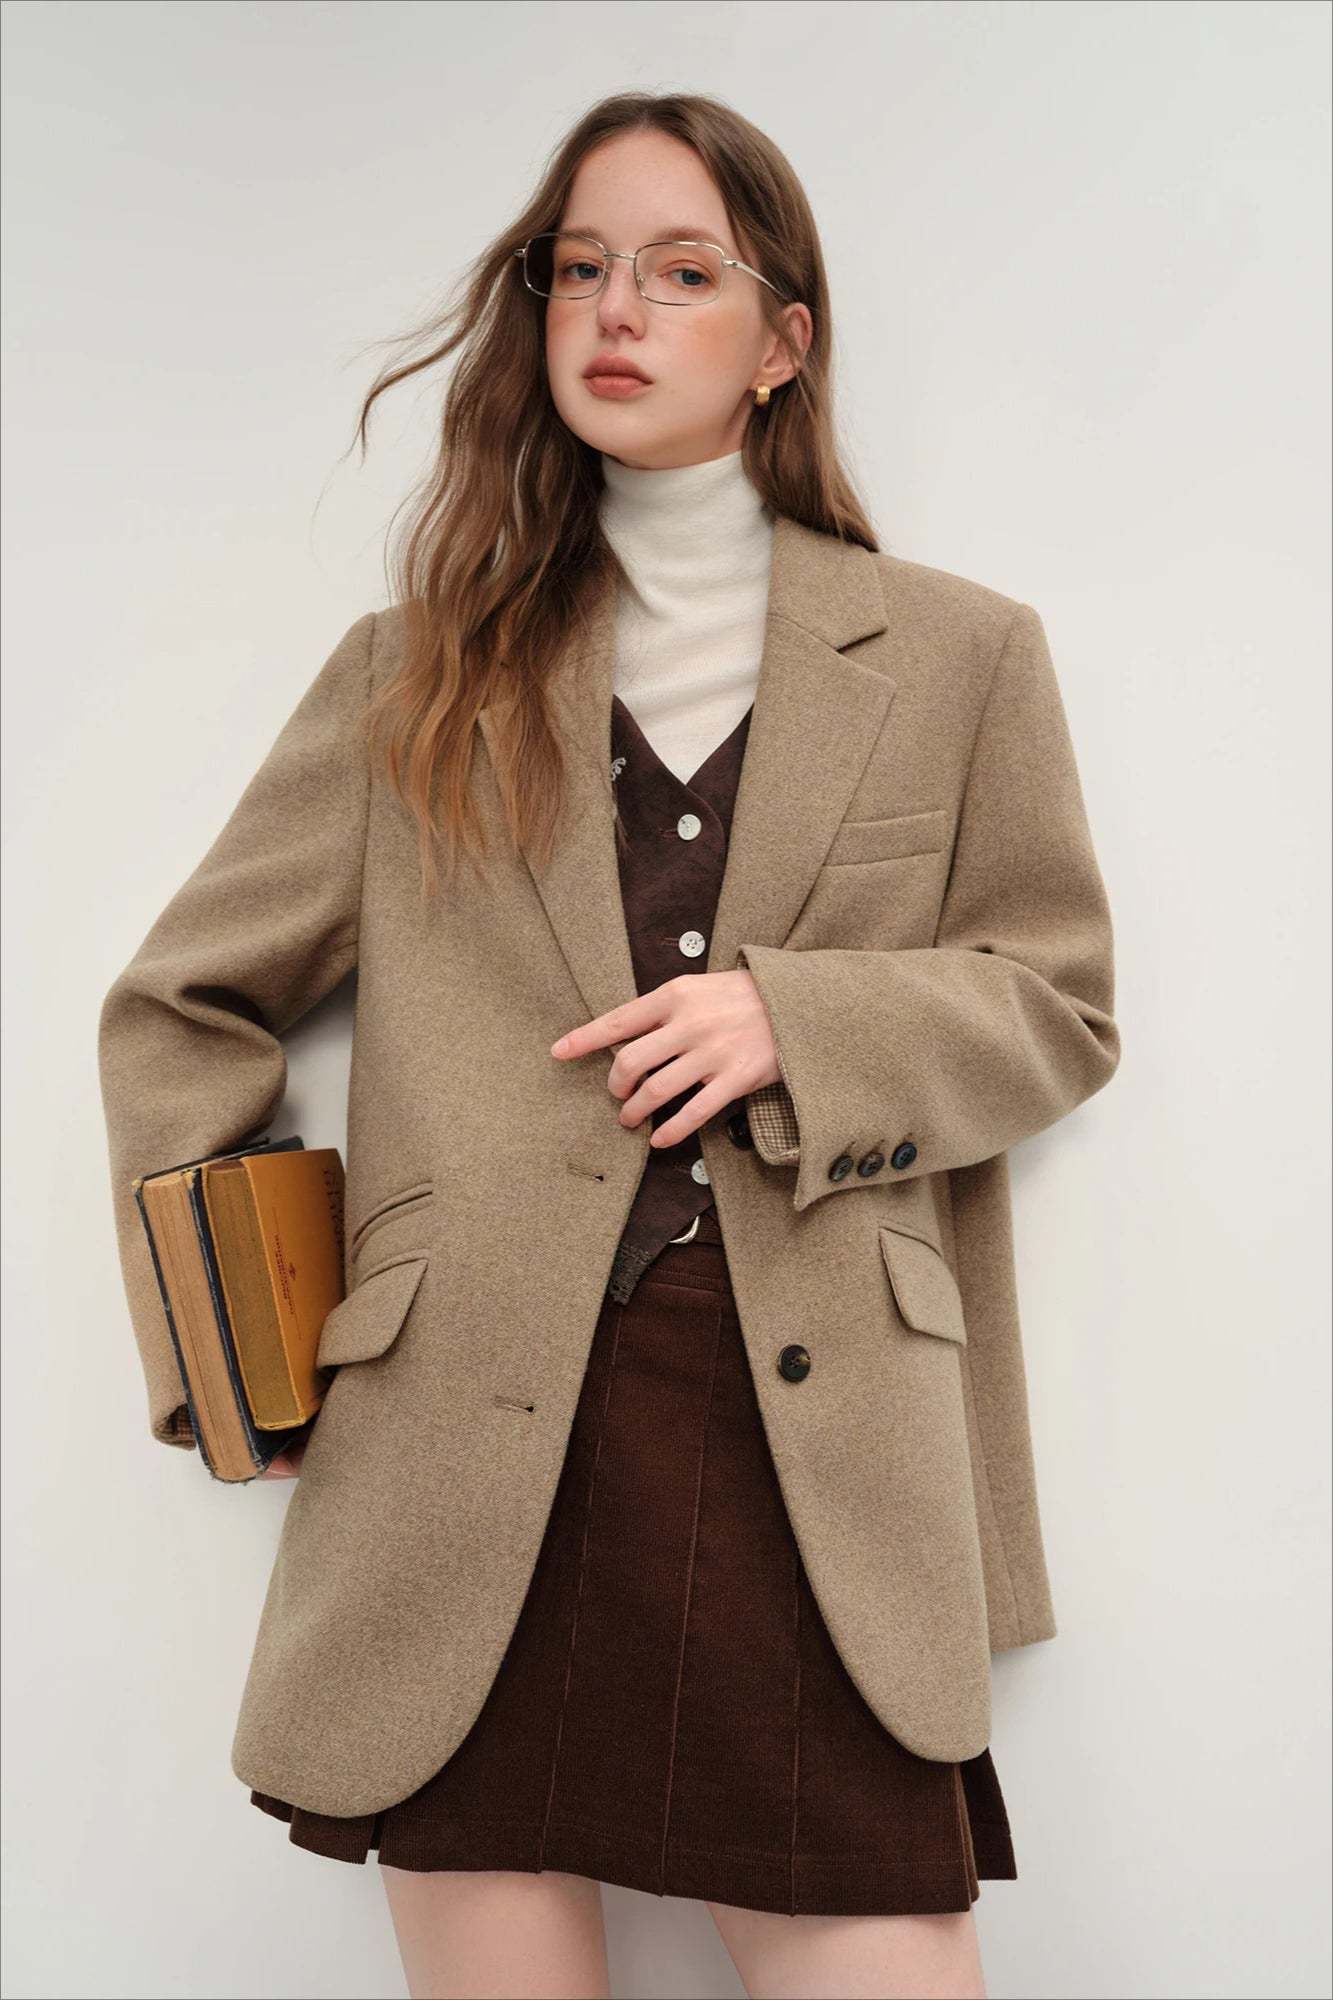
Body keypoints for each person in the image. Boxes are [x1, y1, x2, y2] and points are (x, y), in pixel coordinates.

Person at [97, 91, 1120, 2000]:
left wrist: (797, 1017)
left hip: (819, 1450)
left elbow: (1055, 1007)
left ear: (782, 341)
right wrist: (243, 1356)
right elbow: (182, 1005)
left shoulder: (960, 656)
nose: (615, 311)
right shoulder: (418, 671)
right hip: (464, 1455)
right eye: (578, 270)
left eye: (679, 271)